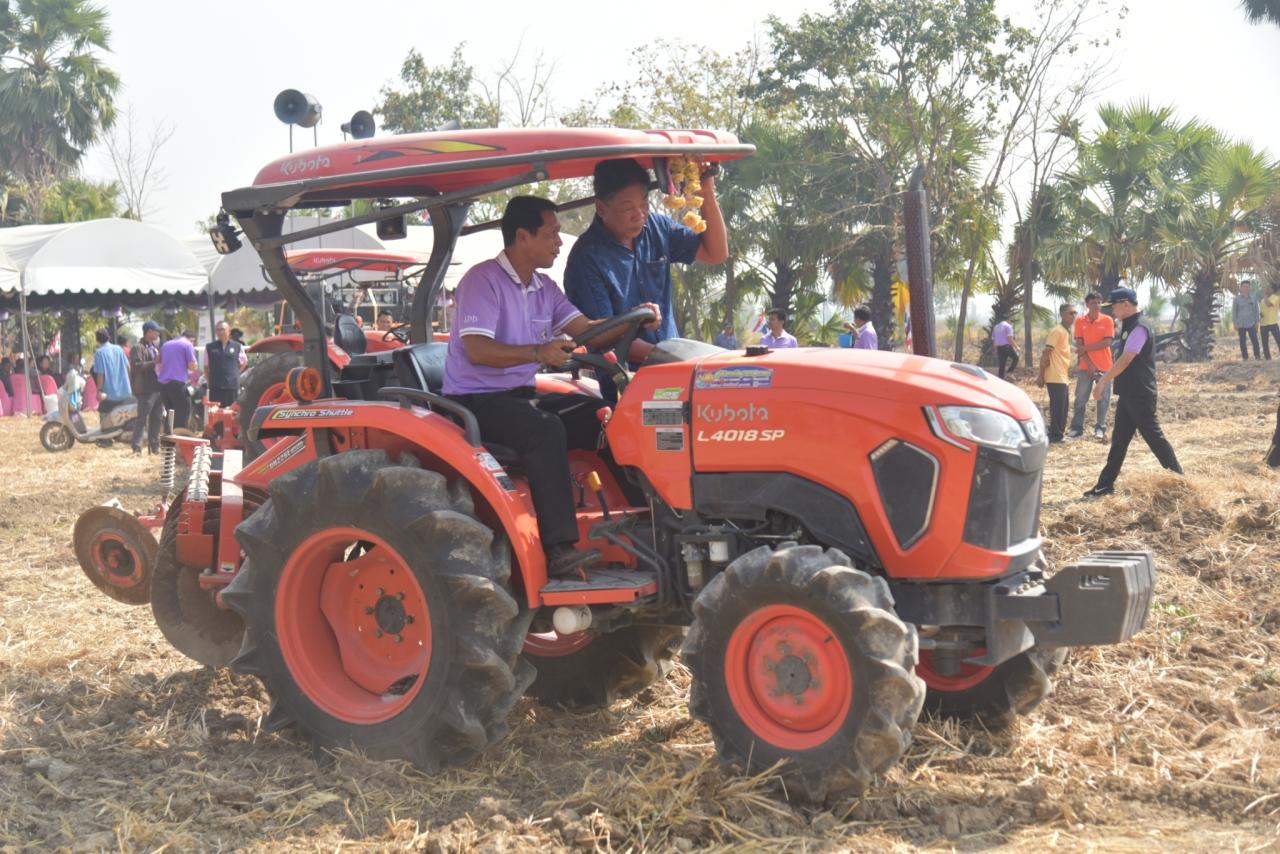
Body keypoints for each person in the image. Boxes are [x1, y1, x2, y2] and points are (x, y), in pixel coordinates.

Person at [443, 196, 659, 578]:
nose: (559, 242)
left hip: (519, 394)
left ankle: (643, 522)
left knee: (602, 416)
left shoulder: (544, 287)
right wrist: (537, 351)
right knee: (545, 429)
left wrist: (631, 319)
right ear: (522, 236)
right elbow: (477, 349)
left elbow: (588, 330)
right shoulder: (482, 281)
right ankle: (559, 548)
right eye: (552, 233)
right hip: (476, 399)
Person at [564, 157, 728, 347]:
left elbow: (716, 253)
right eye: (628, 208)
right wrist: (660, 356)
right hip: (625, 365)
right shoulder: (585, 258)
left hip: (670, 355)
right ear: (601, 208)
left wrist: (707, 193)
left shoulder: (658, 227)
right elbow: (602, 337)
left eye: (644, 204)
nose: (639, 215)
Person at [1083, 288, 1182, 498]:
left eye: (1114, 307)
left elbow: (1126, 359)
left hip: (1140, 394)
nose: (1112, 311)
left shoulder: (1139, 327)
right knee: (1119, 441)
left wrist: (1102, 381)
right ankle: (1105, 485)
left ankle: (1180, 480)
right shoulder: (1130, 326)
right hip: (1129, 393)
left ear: (1126, 304)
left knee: (1154, 439)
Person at [1069, 291, 1115, 440]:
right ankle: (1076, 428)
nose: (1096, 305)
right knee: (1080, 398)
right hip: (1085, 367)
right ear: (1087, 304)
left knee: (1103, 398)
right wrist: (1089, 364)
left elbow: (1107, 342)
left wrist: (1086, 348)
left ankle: (1100, 428)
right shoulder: (1080, 321)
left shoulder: (1107, 320)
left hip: (1105, 366)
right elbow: (1079, 344)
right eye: (1093, 302)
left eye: (1099, 302)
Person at [1037, 305, 1076, 443]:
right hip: (1055, 375)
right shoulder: (1057, 331)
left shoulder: (1065, 331)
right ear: (1062, 314)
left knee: (1063, 407)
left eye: (1075, 313)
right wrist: (1041, 375)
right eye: (1071, 313)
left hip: (1062, 375)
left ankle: (1059, 434)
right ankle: (1055, 436)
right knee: (1058, 407)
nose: (1073, 316)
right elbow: (1046, 354)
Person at [129, 321, 165, 454]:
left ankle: (154, 446)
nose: (158, 333)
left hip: (158, 387)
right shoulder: (138, 348)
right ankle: (136, 448)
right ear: (149, 332)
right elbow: (136, 366)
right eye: (156, 331)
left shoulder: (155, 347)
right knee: (142, 419)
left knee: (157, 418)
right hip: (146, 389)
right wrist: (154, 362)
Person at [156, 328, 197, 431]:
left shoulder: (165, 345)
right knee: (183, 414)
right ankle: (180, 438)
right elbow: (192, 366)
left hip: (163, 385)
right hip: (178, 384)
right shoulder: (187, 344)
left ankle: (168, 439)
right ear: (191, 339)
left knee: (170, 414)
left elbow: (157, 362)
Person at [205, 321, 245, 407]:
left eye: (222, 329)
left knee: (232, 412)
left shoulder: (237, 346)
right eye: (218, 330)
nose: (220, 332)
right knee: (215, 412)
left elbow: (244, 362)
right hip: (215, 388)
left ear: (229, 331)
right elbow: (206, 367)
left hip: (232, 388)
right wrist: (210, 381)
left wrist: (235, 374)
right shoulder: (210, 347)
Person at [91, 327, 132, 403]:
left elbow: (100, 374)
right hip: (125, 392)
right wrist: (127, 383)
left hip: (110, 395)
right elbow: (128, 367)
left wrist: (99, 390)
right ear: (109, 337)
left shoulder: (99, 353)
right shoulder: (119, 349)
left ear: (97, 340)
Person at [1234, 281, 1261, 361]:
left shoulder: (1254, 298)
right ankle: (1245, 357)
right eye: (1244, 286)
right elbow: (1234, 312)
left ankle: (1257, 356)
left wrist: (1257, 322)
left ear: (1250, 288)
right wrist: (1235, 323)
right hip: (1241, 324)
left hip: (1251, 323)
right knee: (1242, 342)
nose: (1246, 288)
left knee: (1255, 340)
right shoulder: (1236, 299)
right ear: (1241, 288)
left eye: (1248, 286)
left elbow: (1257, 311)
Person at [1259, 282, 1280, 361]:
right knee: (1264, 342)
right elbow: (1261, 310)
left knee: (1278, 340)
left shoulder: (1276, 297)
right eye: (1266, 288)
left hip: (1273, 322)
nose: (1267, 289)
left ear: (1273, 290)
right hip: (1263, 323)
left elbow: (1268, 304)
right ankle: (1267, 358)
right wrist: (1260, 314)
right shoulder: (1262, 300)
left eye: (1269, 288)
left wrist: (1265, 295)